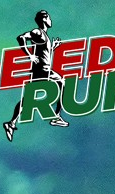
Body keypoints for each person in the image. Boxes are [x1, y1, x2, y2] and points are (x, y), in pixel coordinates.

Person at [6, 10, 70, 141]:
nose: (51, 20)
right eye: (49, 18)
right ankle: (56, 116)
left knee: (28, 99)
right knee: (62, 82)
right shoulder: (38, 32)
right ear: (44, 19)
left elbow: (43, 52)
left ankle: (11, 123)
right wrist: (29, 55)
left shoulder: (44, 35)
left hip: (41, 70)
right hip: (42, 69)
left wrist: (53, 47)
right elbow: (21, 37)